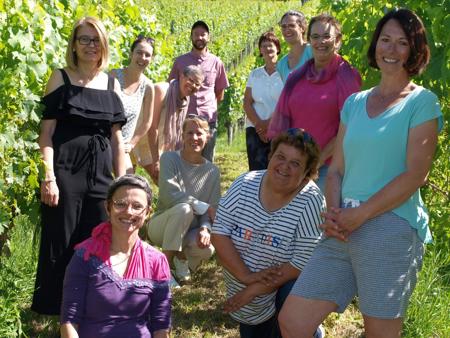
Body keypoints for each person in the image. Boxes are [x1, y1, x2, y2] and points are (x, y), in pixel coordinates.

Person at [279, 9, 443, 338]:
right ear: (375, 45)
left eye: (402, 43)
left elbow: (416, 175)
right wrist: (334, 212)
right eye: (385, 40)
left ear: (415, 51)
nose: (391, 50)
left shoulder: (422, 103)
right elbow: (337, 167)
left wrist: (362, 214)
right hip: (342, 225)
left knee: (379, 332)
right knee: (293, 320)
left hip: (390, 224)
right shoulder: (355, 102)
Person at [32, 17, 126, 315]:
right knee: (60, 238)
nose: (90, 45)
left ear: (103, 45)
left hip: (101, 174)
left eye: (95, 40)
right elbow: (45, 135)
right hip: (64, 172)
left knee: (99, 238)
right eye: (84, 39)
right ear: (73, 44)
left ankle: (92, 307)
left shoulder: (112, 83)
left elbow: (117, 141)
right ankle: (55, 308)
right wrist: (49, 176)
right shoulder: (60, 78)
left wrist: (123, 184)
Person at [212, 129, 325, 338]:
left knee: (291, 296)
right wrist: (247, 277)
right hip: (244, 288)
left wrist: (254, 288)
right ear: (270, 156)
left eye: (296, 163)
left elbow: (301, 263)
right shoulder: (245, 184)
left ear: (307, 172)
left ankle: (306, 328)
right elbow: (219, 233)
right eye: (280, 157)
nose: (285, 167)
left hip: (283, 286)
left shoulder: (311, 199)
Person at [61, 175, 171, 338]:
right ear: (108, 208)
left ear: (147, 212)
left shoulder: (157, 261)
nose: (128, 211)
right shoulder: (85, 256)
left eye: (137, 206)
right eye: (120, 204)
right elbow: (69, 321)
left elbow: (161, 325)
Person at [268, 13, 361, 191]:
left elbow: (350, 127)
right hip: (294, 165)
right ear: (309, 39)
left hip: (328, 168)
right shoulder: (296, 77)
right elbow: (282, 124)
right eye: (316, 37)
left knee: (319, 217)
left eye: (327, 36)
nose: (321, 42)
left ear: (338, 40)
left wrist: (316, 163)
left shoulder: (347, 77)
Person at [147, 115, 220, 285]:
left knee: (207, 249)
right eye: (190, 133)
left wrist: (204, 227)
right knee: (184, 209)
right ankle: (161, 270)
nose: (194, 138)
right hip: (163, 226)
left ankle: (180, 262)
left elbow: (213, 208)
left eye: (199, 134)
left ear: (207, 137)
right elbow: (169, 194)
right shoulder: (169, 159)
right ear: (183, 136)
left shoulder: (212, 171)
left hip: (189, 230)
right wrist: (203, 206)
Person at [168, 20, 229, 162]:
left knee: (206, 161)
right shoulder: (180, 62)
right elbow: (171, 87)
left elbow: (219, 93)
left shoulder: (216, 62)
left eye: (203, 34)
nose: (199, 38)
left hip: (208, 120)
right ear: (191, 37)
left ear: (208, 38)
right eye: (196, 34)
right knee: (184, 161)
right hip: (184, 120)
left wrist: (209, 106)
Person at [147, 65, 204, 184]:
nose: (193, 85)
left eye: (197, 84)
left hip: (154, 144)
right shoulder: (161, 90)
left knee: (167, 183)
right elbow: (152, 128)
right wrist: (156, 161)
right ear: (182, 76)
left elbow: (175, 134)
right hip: (140, 140)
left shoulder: (184, 101)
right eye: (191, 80)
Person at [110, 35, 155, 174]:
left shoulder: (148, 87)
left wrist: (131, 144)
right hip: (104, 140)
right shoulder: (113, 76)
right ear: (131, 53)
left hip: (123, 146)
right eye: (139, 52)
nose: (143, 58)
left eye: (147, 55)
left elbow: (147, 122)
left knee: (126, 186)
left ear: (151, 59)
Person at [243, 32, 283, 171]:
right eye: (263, 46)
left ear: (277, 48)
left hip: (279, 128)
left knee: (276, 169)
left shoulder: (285, 73)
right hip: (254, 128)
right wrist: (259, 126)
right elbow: (247, 102)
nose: (267, 49)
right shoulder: (255, 74)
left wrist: (268, 125)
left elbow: (286, 104)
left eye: (270, 45)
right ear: (260, 50)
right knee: (256, 172)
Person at [276, 10, 313, 83]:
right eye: (284, 26)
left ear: (302, 28)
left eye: (292, 25)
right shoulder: (281, 64)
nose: (287, 30)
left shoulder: (313, 52)